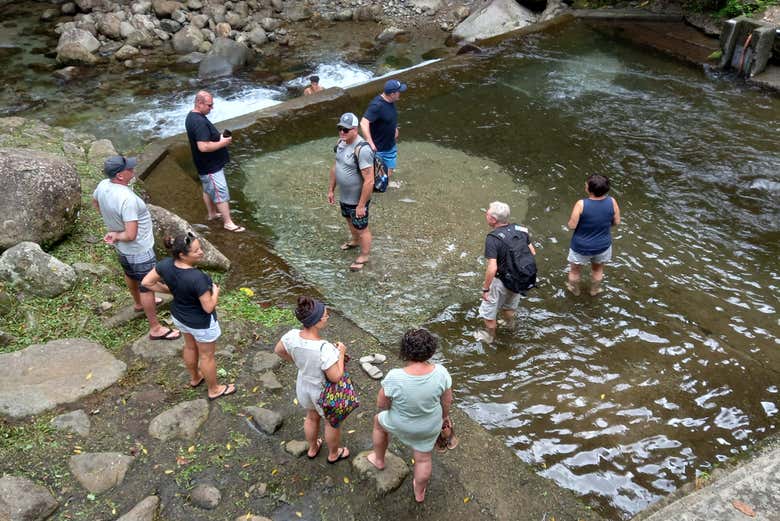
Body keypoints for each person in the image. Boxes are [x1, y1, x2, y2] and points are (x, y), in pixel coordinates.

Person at [93, 155, 180, 341]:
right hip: (139, 248)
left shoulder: (103, 185)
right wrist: (117, 234)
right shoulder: (127, 199)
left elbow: (95, 203)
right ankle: (155, 328)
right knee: (147, 285)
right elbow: (131, 235)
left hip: (123, 249)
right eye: (129, 169)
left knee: (130, 274)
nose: (132, 170)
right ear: (120, 175)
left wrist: (112, 224)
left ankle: (139, 304)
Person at [141, 232, 236, 400]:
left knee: (190, 347)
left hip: (180, 316)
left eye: (200, 248)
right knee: (207, 356)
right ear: (182, 255)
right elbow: (208, 308)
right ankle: (214, 389)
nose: (201, 252)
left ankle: (195, 377)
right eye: (196, 251)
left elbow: (146, 282)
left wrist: (170, 291)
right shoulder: (198, 278)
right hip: (201, 322)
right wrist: (215, 293)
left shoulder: (165, 265)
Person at [366, 329, 453, 503]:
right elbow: (446, 402)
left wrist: (391, 410)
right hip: (428, 427)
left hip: (400, 423)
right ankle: (419, 493)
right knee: (423, 459)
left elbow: (381, 404)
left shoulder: (394, 376)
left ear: (404, 351)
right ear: (431, 350)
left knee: (378, 422)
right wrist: (443, 418)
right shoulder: (441, 372)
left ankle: (379, 459)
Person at [274, 296, 351, 464]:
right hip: (322, 391)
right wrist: (341, 353)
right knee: (331, 423)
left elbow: (278, 350)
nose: (327, 316)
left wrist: (296, 361)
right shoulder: (325, 348)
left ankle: (313, 448)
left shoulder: (291, 336)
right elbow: (336, 376)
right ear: (316, 321)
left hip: (303, 386)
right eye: (325, 314)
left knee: (311, 417)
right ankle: (333, 453)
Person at [184, 90, 245, 233]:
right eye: (209, 105)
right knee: (220, 192)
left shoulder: (192, 116)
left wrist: (218, 137)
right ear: (199, 103)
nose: (212, 108)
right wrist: (223, 142)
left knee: (207, 189)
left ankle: (212, 214)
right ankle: (228, 223)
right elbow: (203, 147)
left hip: (203, 165)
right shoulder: (199, 122)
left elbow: (205, 139)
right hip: (210, 166)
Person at [478, 201, 537, 343]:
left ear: (493, 219)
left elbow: (492, 268)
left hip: (501, 281)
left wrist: (485, 289)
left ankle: (489, 338)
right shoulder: (521, 229)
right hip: (519, 278)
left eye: (487, 213)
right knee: (509, 308)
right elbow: (532, 252)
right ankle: (511, 328)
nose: (486, 215)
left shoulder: (493, 238)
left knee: (488, 314)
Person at [328, 112, 374, 272]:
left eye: (346, 130)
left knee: (362, 228)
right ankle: (354, 241)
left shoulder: (362, 149)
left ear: (355, 130)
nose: (342, 132)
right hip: (344, 196)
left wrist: (361, 205)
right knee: (348, 219)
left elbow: (369, 180)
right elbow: (336, 166)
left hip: (357, 199)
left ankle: (365, 254)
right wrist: (331, 189)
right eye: (340, 128)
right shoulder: (341, 143)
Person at [566, 174, 621, 296]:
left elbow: (572, 226)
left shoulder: (581, 204)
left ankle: (575, 290)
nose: (585, 185)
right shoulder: (612, 201)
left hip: (581, 246)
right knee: (598, 270)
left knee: (575, 271)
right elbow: (616, 222)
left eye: (586, 184)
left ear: (589, 189)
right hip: (602, 245)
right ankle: (594, 290)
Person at [360, 78, 407, 179]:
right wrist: (370, 142)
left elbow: (389, 116)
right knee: (378, 177)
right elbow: (364, 123)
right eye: (399, 92)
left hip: (390, 145)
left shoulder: (391, 101)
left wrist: (394, 128)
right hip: (379, 148)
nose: (400, 93)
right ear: (392, 94)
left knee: (389, 173)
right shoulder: (377, 105)